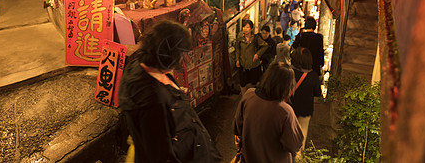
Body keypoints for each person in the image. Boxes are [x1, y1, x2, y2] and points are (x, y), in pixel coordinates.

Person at [118, 20, 222, 163]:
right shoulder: (150, 101)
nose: (182, 60)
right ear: (167, 53)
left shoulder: (144, 66)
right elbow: (161, 156)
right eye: (180, 54)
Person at [233, 62, 304, 163]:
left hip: (249, 158)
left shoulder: (249, 95)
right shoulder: (285, 111)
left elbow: (237, 128)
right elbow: (294, 145)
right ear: (287, 86)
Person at [289, 47, 322, 154]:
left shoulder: (289, 72)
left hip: (289, 110)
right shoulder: (313, 76)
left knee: (286, 135)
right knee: (301, 138)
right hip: (305, 111)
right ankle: (298, 158)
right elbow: (318, 93)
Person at [236, 19, 269, 95]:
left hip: (254, 65)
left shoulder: (255, 38)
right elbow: (237, 49)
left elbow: (265, 46)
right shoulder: (240, 38)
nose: (245, 29)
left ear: (251, 29)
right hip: (243, 64)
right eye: (244, 27)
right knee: (242, 82)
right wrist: (237, 59)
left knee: (254, 83)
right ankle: (244, 98)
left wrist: (257, 54)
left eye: (247, 27)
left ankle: (253, 97)